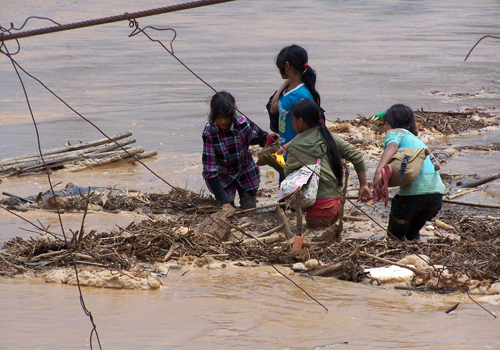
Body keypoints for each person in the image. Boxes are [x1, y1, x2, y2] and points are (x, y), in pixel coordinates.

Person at [283, 99, 371, 230]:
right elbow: (357, 155)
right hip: (337, 203)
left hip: (320, 206)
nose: (292, 123)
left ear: (300, 121)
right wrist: (363, 185)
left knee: (315, 245)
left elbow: (288, 173)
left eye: (292, 120)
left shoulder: (296, 145)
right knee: (329, 242)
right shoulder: (329, 137)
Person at [372, 104, 445, 241]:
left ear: (391, 123)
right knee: (412, 232)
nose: (384, 128)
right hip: (436, 195)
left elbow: (392, 145)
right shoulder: (415, 139)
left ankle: (398, 259)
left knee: (395, 235)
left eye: (384, 124)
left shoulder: (394, 132)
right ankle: (416, 255)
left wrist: (378, 170)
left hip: (414, 195)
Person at [202, 91, 267, 209]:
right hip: (223, 178)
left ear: (232, 113)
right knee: (227, 212)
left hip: (246, 172)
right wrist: (223, 200)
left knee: (250, 211)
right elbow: (209, 171)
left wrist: (272, 145)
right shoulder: (209, 133)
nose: (223, 121)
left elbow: (261, 138)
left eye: (226, 117)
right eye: (218, 117)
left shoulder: (243, 124)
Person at [268, 44, 322, 156]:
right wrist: (286, 82)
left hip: (298, 156)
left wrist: (287, 146)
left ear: (286, 65)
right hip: (286, 154)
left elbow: (310, 129)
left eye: (280, 67)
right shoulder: (287, 90)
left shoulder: (301, 95)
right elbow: (273, 108)